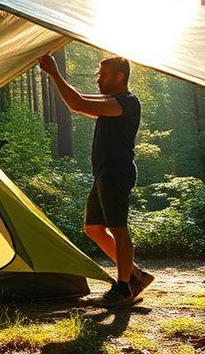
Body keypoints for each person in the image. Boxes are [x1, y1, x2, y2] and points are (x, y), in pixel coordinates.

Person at [39, 53, 154, 307]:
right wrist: (57, 78)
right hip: (104, 172)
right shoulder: (114, 101)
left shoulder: (128, 102)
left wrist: (55, 74)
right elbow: (78, 101)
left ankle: (123, 287)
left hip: (116, 171)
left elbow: (78, 104)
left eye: (102, 75)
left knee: (118, 229)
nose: (97, 79)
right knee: (93, 229)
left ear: (119, 76)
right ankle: (136, 274)